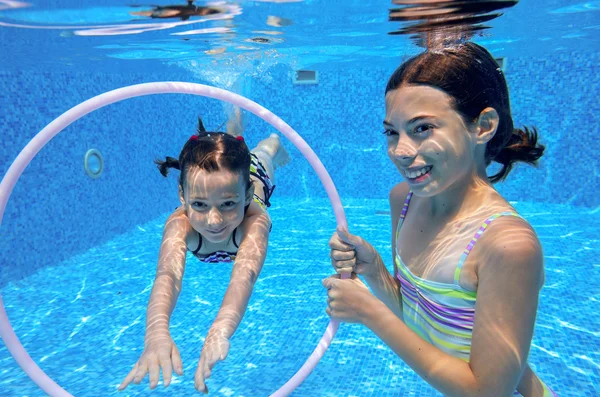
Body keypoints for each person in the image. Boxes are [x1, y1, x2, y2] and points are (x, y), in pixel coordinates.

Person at [324, 42, 557, 396]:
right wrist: (375, 272)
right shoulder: (404, 200)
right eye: (392, 132)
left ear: (483, 126)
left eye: (422, 128)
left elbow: (486, 391)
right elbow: (417, 314)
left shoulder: (507, 245)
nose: (400, 151)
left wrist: (371, 314)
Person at [118, 109, 290, 393]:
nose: (214, 221)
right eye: (198, 205)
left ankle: (269, 143)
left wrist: (220, 328)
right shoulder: (179, 224)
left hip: (254, 177)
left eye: (227, 205)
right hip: (231, 180)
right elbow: (167, 276)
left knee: (263, 156)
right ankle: (234, 129)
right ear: (182, 196)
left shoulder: (253, 220)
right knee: (230, 153)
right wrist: (156, 332)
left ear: (244, 198)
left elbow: (243, 276)